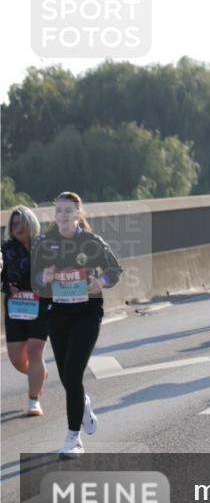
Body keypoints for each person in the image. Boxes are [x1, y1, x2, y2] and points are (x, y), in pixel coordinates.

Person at [31, 192, 122, 457]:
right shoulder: (44, 243)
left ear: (77, 213)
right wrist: (42, 275)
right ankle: (82, 403)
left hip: (86, 312)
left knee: (73, 374)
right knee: (66, 378)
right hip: (57, 314)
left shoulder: (92, 242)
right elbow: (35, 281)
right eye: (58, 211)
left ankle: (74, 438)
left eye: (68, 211)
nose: (62, 216)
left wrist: (100, 282)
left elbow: (115, 269)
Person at [2, 206, 48, 415]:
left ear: (31, 223)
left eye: (21, 222)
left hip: (40, 304)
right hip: (16, 306)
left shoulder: (45, 246)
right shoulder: (6, 248)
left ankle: (33, 399)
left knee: (35, 351)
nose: (18, 227)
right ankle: (37, 375)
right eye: (14, 223)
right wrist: (6, 286)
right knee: (16, 359)